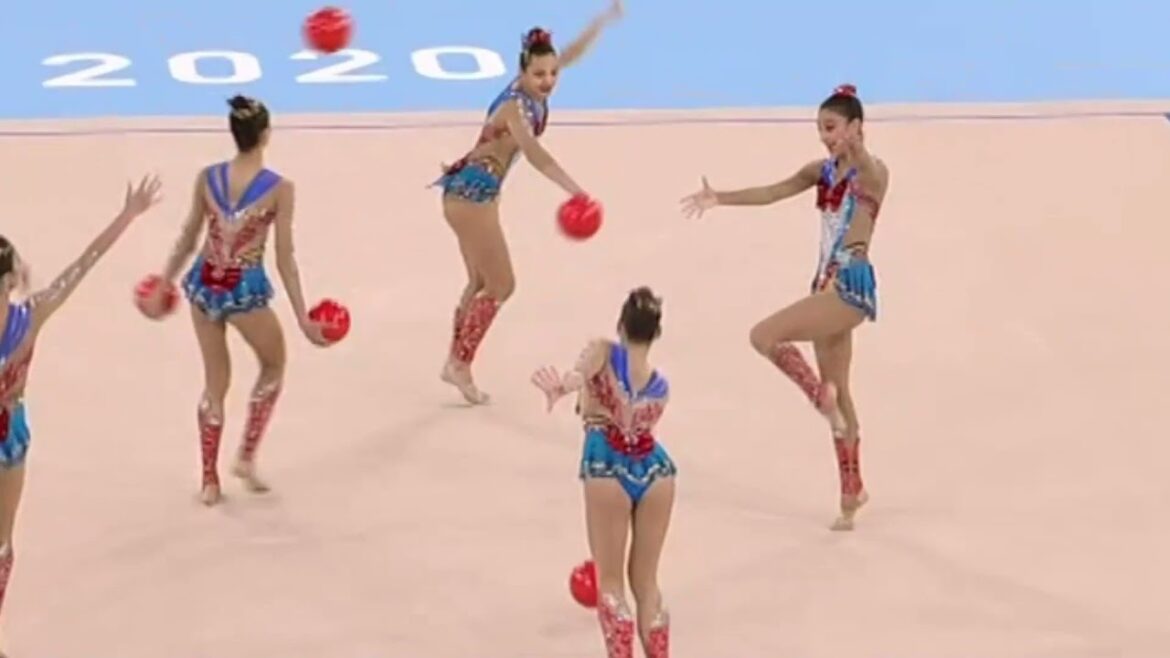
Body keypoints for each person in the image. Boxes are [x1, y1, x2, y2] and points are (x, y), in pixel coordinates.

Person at [679, 84, 889, 531]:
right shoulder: (821, 171)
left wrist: (857, 147)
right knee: (841, 393)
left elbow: (867, 165)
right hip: (823, 285)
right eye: (820, 129)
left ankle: (817, 396)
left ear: (855, 127)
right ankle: (852, 491)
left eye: (832, 128)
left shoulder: (874, 173)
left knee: (764, 336)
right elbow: (773, 191)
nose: (825, 137)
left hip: (849, 288)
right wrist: (721, 197)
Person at [140, 96, 328, 507]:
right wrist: (302, 317)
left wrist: (163, 283)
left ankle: (209, 479)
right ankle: (245, 455)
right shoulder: (280, 189)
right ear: (266, 134)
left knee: (215, 382)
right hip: (244, 291)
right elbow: (285, 257)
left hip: (204, 285)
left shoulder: (207, 178)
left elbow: (188, 236)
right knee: (274, 364)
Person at [0, 176, 162, 651]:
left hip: (10, 437)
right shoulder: (31, 315)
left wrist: (126, 217)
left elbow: (83, 264)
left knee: (3, 541)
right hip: (10, 431)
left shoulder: (33, 315)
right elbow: (82, 265)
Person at [435, 0, 624, 405]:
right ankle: (460, 364)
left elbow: (570, 54)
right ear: (521, 72)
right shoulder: (513, 107)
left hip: (469, 194)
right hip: (471, 198)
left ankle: (454, 362)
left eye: (552, 73)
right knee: (502, 284)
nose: (548, 80)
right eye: (539, 74)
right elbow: (535, 155)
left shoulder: (535, 85)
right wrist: (575, 189)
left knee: (479, 283)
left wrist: (601, 22)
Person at [531, 287, 674, 658]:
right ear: (656, 334)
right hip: (657, 471)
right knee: (647, 583)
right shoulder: (661, 388)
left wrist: (562, 387)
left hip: (607, 463)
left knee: (610, 583)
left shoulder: (604, 351)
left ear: (620, 325)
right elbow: (639, 427)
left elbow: (579, 375)